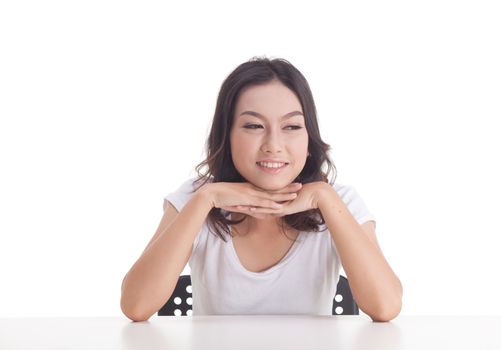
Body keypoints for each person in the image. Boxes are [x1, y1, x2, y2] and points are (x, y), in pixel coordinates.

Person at [120, 56, 403, 322]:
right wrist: (207, 197)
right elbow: (136, 305)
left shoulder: (340, 201)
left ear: (308, 139)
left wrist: (325, 198)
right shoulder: (195, 197)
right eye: (254, 125)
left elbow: (386, 306)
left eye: (291, 126)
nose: (273, 144)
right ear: (227, 136)